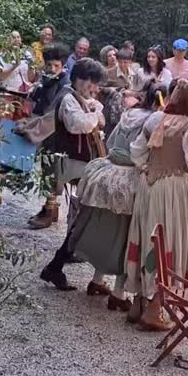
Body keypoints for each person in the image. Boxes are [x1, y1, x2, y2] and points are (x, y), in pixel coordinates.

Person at [40, 80, 162, 300]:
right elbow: (142, 154)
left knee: (90, 221)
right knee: (125, 233)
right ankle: (118, 292)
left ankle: (91, 277)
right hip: (128, 177)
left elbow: (113, 141)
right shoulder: (152, 119)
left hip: (108, 171)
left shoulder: (130, 114)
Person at [125, 80, 188, 330]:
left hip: (148, 184)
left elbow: (137, 151)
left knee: (145, 236)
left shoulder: (154, 119)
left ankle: (137, 302)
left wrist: (147, 168)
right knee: (168, 240)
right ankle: (154, 309)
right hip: (172, 187)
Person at [25, 43, 70, 230]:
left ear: (63, 65)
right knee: (45, 169)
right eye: (49, 65)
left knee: (54, 171)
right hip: (45, 130)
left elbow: (54, 111)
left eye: (56, 66)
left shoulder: (65, 84)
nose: (52, 69)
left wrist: (33, 129)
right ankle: (49, 208)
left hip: (57, 132)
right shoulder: (45, 80)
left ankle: (50, 210)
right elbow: (37, 103)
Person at [52, 58, 105, 192]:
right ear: (79, 79)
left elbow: (98, 112)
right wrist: (96, 115)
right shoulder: (68, 98)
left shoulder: (80, 96)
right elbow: (78, 124)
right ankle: (50, 210)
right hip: (70, 155)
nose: (92, 87)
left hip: (80, 156)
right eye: (90, 82)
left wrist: (96, 111)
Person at [0, 31, 35, 102]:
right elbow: (0, 77)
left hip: (23, 95)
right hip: (6, 94)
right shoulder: (1, 55)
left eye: (18, 37)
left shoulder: (26, 54)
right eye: (13, 37)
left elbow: (31, 78)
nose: (16, 39)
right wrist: (14, 66)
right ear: (7, 40)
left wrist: (31, 66)